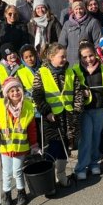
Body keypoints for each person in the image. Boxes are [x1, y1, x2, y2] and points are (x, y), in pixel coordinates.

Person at [31, 43, 84, 187]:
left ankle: (61, 175)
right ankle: (48, 179)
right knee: (53, 147)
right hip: (51, 118)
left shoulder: (70, 72)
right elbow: (37, 95)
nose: (64, 59)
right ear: (51, 57)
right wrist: (47, 112)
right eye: (61, 56)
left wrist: (76, 110)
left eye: (65, 56)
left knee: (65, 146)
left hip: (68, 116)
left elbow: (78, 92)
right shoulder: (42, 72)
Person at [0, 77, 40, 205]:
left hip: (20, 146)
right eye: (11, 91)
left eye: (18, 89)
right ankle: (7, 195)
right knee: (6, 171)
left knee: (17, 170)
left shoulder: (27, 107)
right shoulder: (0, 106)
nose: (15, 92)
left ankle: (21, 192)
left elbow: (32, 128)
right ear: (6, 93)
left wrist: (34, 145)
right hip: (5, 146)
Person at [71, 43, 103, 180]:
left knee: (97, 136)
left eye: (91, 55)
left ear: (96, 54)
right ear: (80, 57)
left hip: (100, 108)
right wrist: (81, 91)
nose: (88, 59)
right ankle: (81, 167)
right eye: (84, 57)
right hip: (84, 110)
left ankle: (94, 162)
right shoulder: (75, 70)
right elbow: (72, 89)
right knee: (86, 138)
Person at [59, 0, 103, 65]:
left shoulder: (93, 22)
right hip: (71, 61)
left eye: (81, 9)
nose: (78, 11)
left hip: (88, 60)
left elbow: (98, 42)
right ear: (73, 11)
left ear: (84, 9)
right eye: (76, 9)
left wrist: (97, 58)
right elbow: (62, 43)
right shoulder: (67, 24)